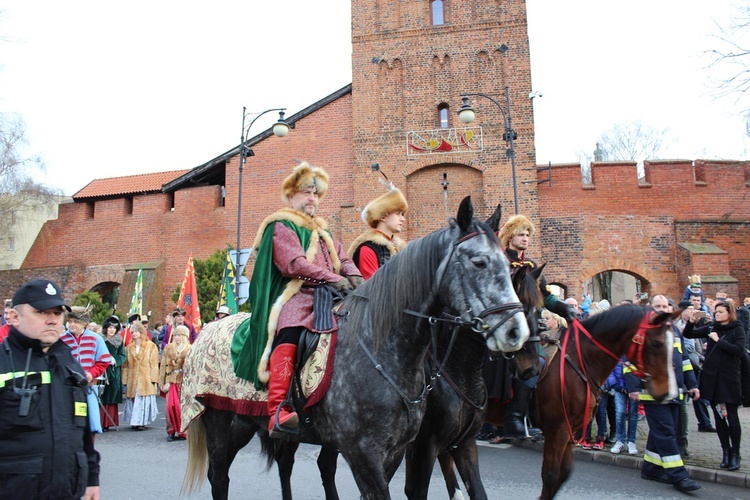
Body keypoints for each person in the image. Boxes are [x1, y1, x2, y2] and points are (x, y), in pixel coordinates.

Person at [230, 162, 363, 438]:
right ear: (292, 196)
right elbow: (295, 265)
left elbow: (345, 258)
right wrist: (333, 278)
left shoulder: (324, 231)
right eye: (307, 192)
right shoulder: (281, 225)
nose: (312, 198)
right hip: (297, 295)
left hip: (330, 296)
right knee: (290, 330)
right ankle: (278, 410)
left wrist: (356, 277)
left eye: (316, 193)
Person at [0, 279, 100, 499]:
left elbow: (82, 430)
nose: (52, 320)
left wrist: (92, 477)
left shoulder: (69, 363)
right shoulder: (3, 364)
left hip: (68, 490)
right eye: (42, 312)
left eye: (57, 313)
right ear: (15, 317)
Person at [627, 295, 701, 492]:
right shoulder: (642, 330)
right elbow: (630, 361)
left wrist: (692, 384)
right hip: (653, 392)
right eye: (657, 306)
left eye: (665, 305)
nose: (662, 309)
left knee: (661, 432)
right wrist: (633, 387)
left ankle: (651, 469)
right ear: (650, 308)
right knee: (667, 432)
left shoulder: (674, 329)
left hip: (675, 390)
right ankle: (679, 476)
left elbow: (684, 359)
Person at [683, 301, 746, 470]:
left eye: (720, 312)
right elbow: (688, 334)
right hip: (711, 378)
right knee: (718, 417)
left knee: (731, 417)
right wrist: (692, 321)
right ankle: (725, 452)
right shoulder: (712, 328)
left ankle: (736, 454)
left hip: (729, 379)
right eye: (716, 311)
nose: (717, 314)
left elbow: (739, 350)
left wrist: (718, 341)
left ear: (729, 313)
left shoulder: (736, 329)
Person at [61, 306, 114, 438]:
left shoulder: (96, 339)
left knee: (91, 424)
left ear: (84, 323)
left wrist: (91, 374)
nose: (72, 324)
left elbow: (104, 360)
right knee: (69, 422)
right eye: (70, 321)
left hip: (88, 387)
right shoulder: (61, 339)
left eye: (76, 321)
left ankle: (89, 451)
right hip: (68, 388)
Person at [348, 181, 408, 280]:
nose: (403, 219)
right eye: (398, 213)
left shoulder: (400, 248)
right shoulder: (368, 249)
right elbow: (372, 289)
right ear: (383, 216)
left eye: (403, 214)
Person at [122, 322, 159, 430]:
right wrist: (125, 380)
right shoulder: (129, 348)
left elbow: (154, 364)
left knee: (143, 400)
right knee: (134, 400)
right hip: (133, 377)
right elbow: (126, 366)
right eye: (132, 332)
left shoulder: (151, 346)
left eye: (137, 331)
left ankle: (141, 421)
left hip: (145, 377)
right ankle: (134, 421)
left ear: (141, 332)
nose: (134, 334)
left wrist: (154, 379)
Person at [159, 324, 191, 441]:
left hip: (183, 381)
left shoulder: (189, 348)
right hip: (171, 380)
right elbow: (163, 365)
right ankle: (171, 431)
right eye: (175, 335)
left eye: (179, 335)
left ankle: (183, 430)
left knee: (182, 407)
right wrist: (162, 382)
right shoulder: (168, 348)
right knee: (170, 406)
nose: (177, 337)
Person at [99, 315, 126, 431]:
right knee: (101, 395)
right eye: (110, 327)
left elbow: (123, 356)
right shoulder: (99, 340)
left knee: (111, 396)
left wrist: (114, 360)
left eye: (114, 328)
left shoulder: (119, 342)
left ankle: (108, 421)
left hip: (113, 372)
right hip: (101, 370)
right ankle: (99, 421)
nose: (111, 330)